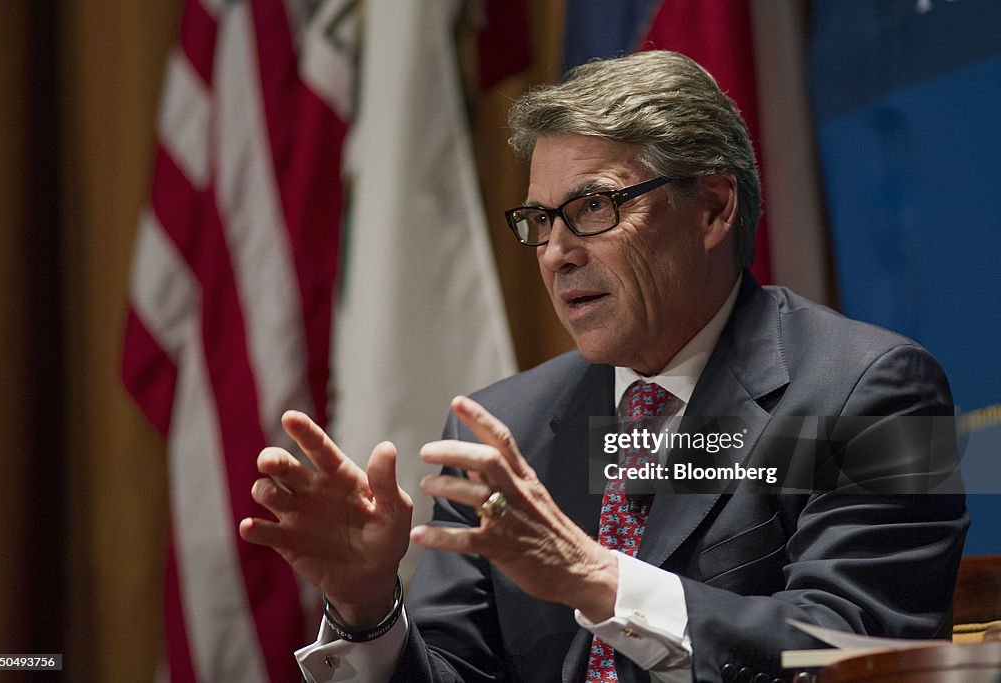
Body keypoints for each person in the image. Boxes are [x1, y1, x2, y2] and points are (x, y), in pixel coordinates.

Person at [238, 50, 968, 682]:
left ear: (713, 207)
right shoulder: (501, 430)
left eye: (592, 207)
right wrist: (368, 608)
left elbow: (860, 657)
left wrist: (596, 578)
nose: (557, 252)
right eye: (540, 221)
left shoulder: (875, 392)